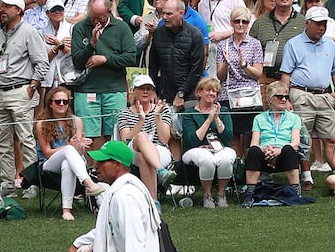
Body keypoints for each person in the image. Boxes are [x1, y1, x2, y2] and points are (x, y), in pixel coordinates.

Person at [0, 0, 49, 194]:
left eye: (7, 6)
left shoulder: (30, 32)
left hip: (21, 89)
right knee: (2, 140)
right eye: (1, 6)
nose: (2, 10)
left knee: (25, 138)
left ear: (19, 10)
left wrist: (32, 86)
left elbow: (42, 63)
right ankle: (7, 184)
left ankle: (29, 183)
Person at [279, 4, 335, 186]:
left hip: (324, 95)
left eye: (324, 24)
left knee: (330, 137)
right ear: (307, 23)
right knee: (303, 138)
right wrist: (286, 98)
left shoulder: (331, 44)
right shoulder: (293, 44)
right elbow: (286, 74)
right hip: (301, 94)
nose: (321, 27)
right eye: (317, 24)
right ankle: (306, 175)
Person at [70, 0, 137, 150]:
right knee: (88, 135)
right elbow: (77, 62)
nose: (95, 20)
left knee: (114, 133)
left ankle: (113, 170)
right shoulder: (80, 28)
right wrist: (91, 44)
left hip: (114, 89)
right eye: (93, 16)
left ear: (109, 12)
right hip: (86, 90)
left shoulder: (121, 27)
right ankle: (90, 171)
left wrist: (105, 59)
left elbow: (130, 58)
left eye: (100, 17)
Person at [26, 83, 102, 219]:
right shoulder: (41, 123)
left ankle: (66, 210)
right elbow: (47, 152)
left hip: (74, 162)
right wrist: (71, 147)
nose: (62, 104)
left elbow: (79, 153)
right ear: (50, 104)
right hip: (49, 163)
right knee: (68, 149)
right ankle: (88, 183)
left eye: (65, 101)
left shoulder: (76, 121)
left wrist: (81, 146)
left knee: (67, 164)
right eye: (58, 101)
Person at [179, 76, 237, 205]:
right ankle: (207, 195)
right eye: (208, 90)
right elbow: (193, 140)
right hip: (195, 149)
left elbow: (228, 137)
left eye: (215, 91)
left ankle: (221, 194)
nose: (212, 93)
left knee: (226, 158)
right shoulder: (189, 113)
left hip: (220, 147)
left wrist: (216, 118)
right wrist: (209, 120)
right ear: (199, 92)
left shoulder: (224, 111)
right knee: (208, 160)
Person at [241, 80, 301, 203]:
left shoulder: (294, 118)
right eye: (280, 97)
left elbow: (296, 143)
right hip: (264, 153)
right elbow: (254, 143)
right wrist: (266, 150)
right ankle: (250, 193)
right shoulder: (259, 118)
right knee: (253, 151)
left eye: (286, 97)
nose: (284, 100)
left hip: (284, 154)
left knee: (289, 149)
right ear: (270, 99)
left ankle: (296, 191)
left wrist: (278, 151)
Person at [115, 72, 174, 197]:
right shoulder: (124, 113)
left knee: (144, 158)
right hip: (132, 151)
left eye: (149, 89)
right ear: (134, 90)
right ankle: (161, 171)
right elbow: (125, 141)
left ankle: (154, 202)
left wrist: (157, 116)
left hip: (159, 150)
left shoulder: (163, 109)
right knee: (141, 136)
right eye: (142, 88)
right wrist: (141, 120)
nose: (146, 92)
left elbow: (164, 140)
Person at [216, 5, 263, 149]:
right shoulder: (222, 45)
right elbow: (220, 76)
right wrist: (225, 63)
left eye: (244, 21)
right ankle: (235, 167)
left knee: (251, 135)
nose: (241, 24)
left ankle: (249, 168)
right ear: (231, 23)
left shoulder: (255, 44)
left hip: (249, 93)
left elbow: (258, 73)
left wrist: (245, 65)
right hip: (229, 94)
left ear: (248, 24)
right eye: (237, 21)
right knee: (233, 135)